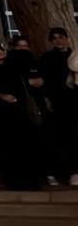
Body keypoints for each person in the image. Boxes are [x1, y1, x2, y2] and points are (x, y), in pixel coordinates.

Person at [0, 39, 42, 190]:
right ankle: (13, 181)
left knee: (25, 145)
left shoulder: (17, 59)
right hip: (1, 114)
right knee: (7, 147)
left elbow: (36, 81)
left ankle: (31, 181)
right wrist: (0, 95)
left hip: (21, 111)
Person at [39, 27, 78, 186]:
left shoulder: (74, 56)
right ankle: (62, 172)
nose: (58, 40)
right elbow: (43, 83)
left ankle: (74, 171)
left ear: (67, 38)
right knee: (59, 138)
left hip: (74, 102)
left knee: (74, 137)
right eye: (54, 38)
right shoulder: (47, 58)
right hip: (56, 104)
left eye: (61, 37)